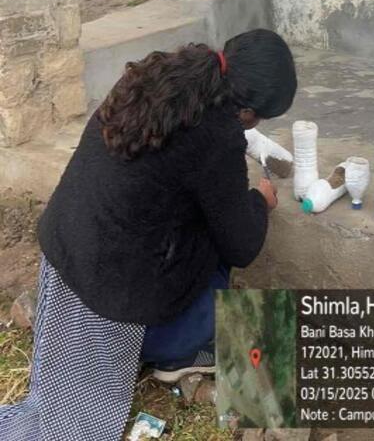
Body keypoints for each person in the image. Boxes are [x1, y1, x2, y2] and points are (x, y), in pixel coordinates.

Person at [0, 29, 297, 440]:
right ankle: (174, 350)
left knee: (190, 213)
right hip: (111, 296)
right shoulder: (217, 135)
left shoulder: (151, 78)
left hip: (63, 260)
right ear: (247, 111)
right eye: (259, 117)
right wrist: (259, 200)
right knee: (222, 252)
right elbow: (242, 245)